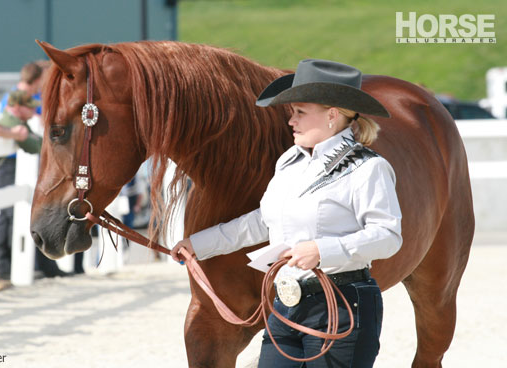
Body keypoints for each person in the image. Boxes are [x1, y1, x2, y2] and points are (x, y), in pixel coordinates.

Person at [171, 59, 402, 367]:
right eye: (292, 113)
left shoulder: (368, 168)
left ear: (332, 115)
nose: (291, 121)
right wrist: (198, 244)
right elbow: (262, 221)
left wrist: (322, 250)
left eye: (300, 112)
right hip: (285, 307)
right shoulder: (289, 162)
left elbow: (388, 236)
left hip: (342, 306)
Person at [0, 90, 42, 293]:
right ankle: (3, 267)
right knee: (7, 217)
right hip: (4, 170)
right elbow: (34, 145)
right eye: (29, 106)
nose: (34, 109)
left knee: (6, 217)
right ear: (17, 107)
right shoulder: (11, 122)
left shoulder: (13, 121)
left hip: (7, 170)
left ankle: (4, 267)